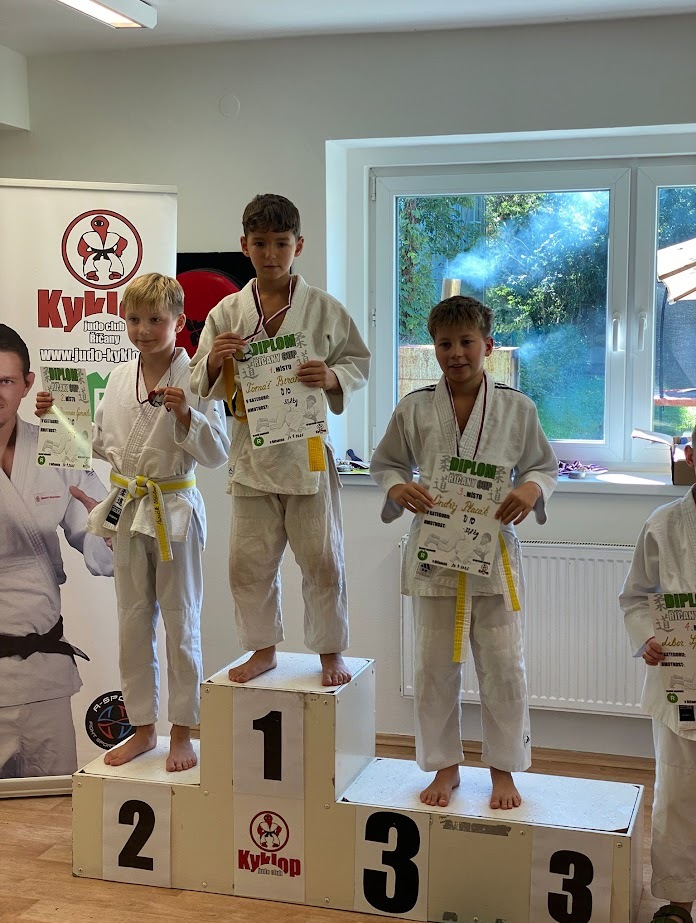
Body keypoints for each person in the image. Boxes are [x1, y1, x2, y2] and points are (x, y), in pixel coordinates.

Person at [37, 274, 230, 772]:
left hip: (173, 508)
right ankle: (143, 729)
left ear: (179, 322)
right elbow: (99, 446)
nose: (143, 330)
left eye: (155, 320)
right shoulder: (121, 377)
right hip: (128, 508)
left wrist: (187, 415)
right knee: (132, 622)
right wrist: (57, 418)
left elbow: (218, 453)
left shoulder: (196, 379)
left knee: (181, 622)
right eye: (134, 319)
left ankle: (182, 732)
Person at [370, 295, 557, 810]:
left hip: (492, 557)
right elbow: (386, 463)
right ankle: (444, 767)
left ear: (488, 346)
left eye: (466, 342)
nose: (456, 353)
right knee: (433, 668)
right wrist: (397, 487)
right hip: (435, 553)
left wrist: (531, 489)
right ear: (433, 348)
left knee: (504, 668)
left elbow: (543, 466)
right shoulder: (414, 408)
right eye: (445, 344)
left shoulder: (518, 408)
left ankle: (503, 771)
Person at [190, 193, 370, 687]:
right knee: (247, 563)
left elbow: (358, 361)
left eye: (281, 243)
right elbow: (197, 379)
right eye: (261, 243)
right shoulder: (227, 312)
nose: (271, 254)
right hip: (251, 452)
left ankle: (330, 651)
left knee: (323, 558)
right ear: (244, 245)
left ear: (299, 245)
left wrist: (332, 377)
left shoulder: (323, 309)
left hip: (306, 449)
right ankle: (263, 649)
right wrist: (214, 358)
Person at [0, 324, 113, 779]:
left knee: (50, 807)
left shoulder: (58, 449)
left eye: (5, 381)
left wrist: (112, 526)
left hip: (42, 674)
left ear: (28, 384)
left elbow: (99, 538)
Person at [620, 431, 696, 923]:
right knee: (678, 791)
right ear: (692, 455)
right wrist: (648, 636)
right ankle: (677, 904)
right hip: (680, 682)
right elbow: (635, 596)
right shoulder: (664, 524)